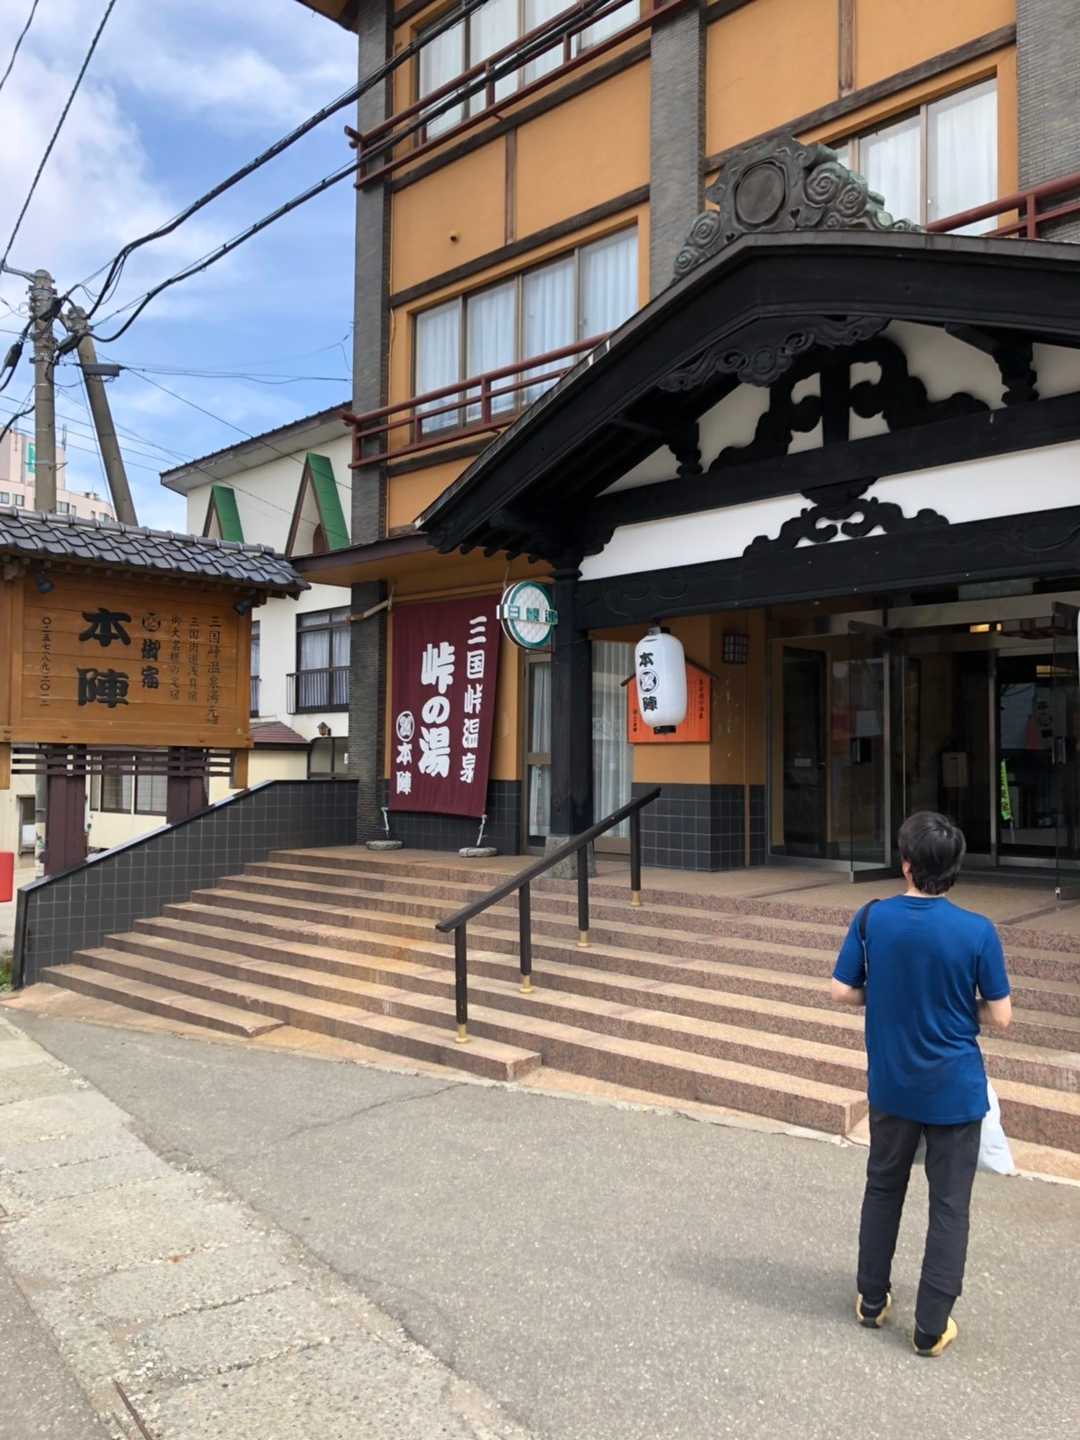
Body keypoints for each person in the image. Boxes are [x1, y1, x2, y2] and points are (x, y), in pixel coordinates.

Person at [831, 811, 1013, 1357]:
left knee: (883, 1188)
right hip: (955, 1089)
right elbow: (1001, 1016)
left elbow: (841, 990)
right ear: (955, 868)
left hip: (892, 1084)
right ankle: (931, 1327)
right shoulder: (977, 931)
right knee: (949, 1204)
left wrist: (886, 994)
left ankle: (871, 1300)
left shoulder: (873, 918)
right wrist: (955, 1005)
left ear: (906, 864)